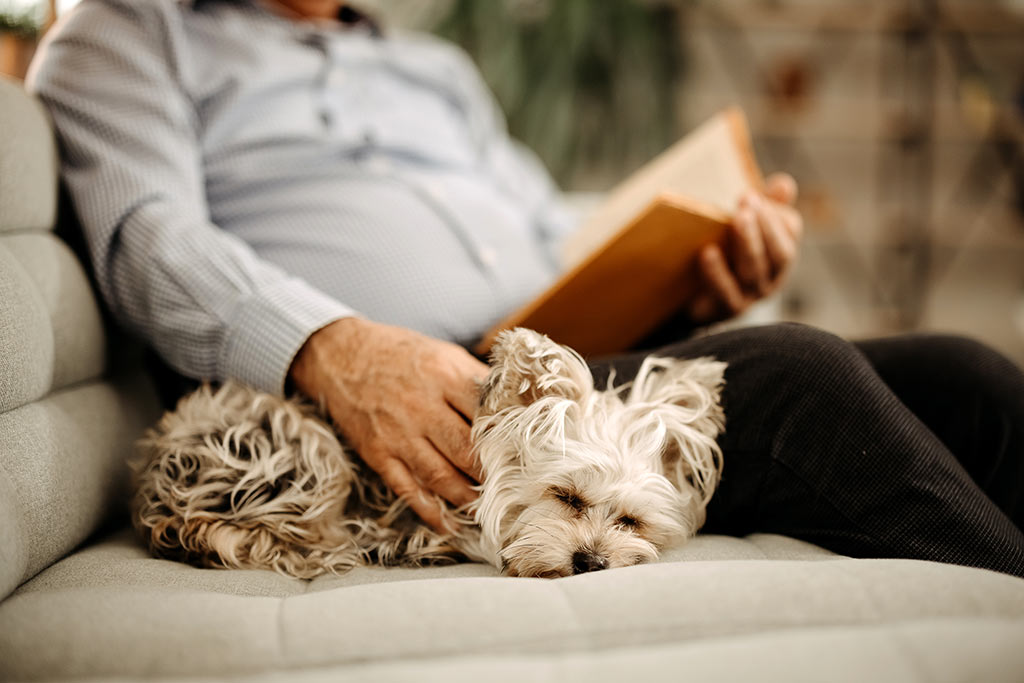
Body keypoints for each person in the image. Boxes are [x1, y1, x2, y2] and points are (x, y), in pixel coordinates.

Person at [28, 0, 1024, 577]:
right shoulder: (128, 31)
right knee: (803, 374)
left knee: (964, 372)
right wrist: (332, 347)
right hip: (392, 402)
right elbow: (145, 237)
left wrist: (698, 273)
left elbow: (553, 234)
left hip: (559, 361)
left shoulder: (431, 69)